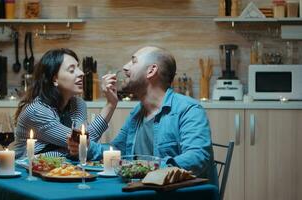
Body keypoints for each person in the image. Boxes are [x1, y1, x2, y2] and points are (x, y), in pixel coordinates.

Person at [68, 46, 218, 185]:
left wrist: (143, 167)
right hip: (142, 191)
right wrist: (87, 147)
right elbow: (117, 150)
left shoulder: (188, 109)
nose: (125, 67)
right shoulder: (138, 111)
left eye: (133, 61)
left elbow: (197, 158)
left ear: (151, 71)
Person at [14, 48, 118, 159]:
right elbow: (82, 144)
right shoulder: (37, 111)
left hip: (62, 171)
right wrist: (75, 151)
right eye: (72, 70)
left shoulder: (78, 104)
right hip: (27, 171)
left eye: (78, 67)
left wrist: (111, 103)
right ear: (54, 79)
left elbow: (83, 142)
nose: (82, 73)